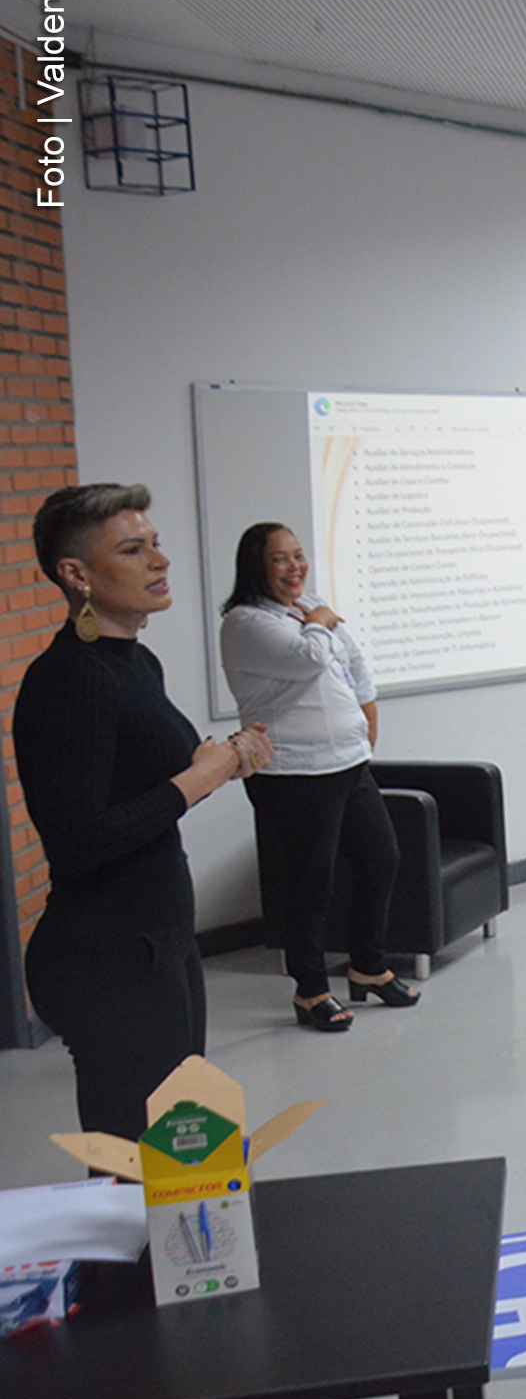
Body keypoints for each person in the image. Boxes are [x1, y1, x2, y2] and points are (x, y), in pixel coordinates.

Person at [14, 485, 273, 1142]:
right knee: (141, 1163)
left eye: (155, 544)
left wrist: (226, 761)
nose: (159, 561)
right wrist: (202, 774)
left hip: (157, 935)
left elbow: (139, 789)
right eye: (133, 550)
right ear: (75, 574)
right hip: (107, 955)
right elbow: (79, 842)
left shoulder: (133, 661)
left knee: (181, 1155)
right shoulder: (73, 676)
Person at [219, 522, 418, 1030]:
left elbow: (350, 658)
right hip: (294, 772)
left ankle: (368, 967)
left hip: (346, 763)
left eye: (298, 556)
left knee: (382, 859)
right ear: (255, 568)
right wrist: (323, 623)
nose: (295, 568)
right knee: (312, 881)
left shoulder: (308, 609)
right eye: (280, 559)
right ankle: (310, 990)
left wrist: (368, 715)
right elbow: (308, 658)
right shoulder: (245, 622)